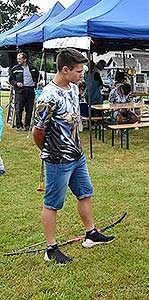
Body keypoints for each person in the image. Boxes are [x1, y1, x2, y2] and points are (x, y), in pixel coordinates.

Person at [32, 48, 115, 265]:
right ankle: (51, 249)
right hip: (58, 160)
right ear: (65, 69)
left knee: (85, 193)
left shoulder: (72, 88)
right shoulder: (48, 97)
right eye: (78, 71)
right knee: (52, 203)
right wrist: (48, 151)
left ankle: (91, 234)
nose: (82, 75)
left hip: (77, 155)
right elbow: (37, 131)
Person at [9, 52, 39, 131]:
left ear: (25, 59)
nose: (18, 60)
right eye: (17, 59)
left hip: (30, 90)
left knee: (29, 109)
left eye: (20, 59)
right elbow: (11, 80)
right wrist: (16, 83)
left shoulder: (33, 68)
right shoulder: (15, 69)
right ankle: (19, 126)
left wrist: (36, 82)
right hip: (20, 91)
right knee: (18, 109)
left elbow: (39, 77)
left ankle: (27, 125)